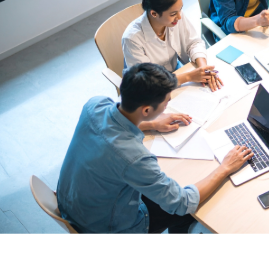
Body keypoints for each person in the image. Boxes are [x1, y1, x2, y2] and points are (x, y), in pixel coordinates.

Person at [56, 63, 254, 233]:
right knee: (193, 208)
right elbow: (182, 203)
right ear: (147, 110)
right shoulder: (134, 158)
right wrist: (225, 167)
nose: (169, 104)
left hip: (73, 203)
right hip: (106, 227)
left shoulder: (95, 105)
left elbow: (110, 128)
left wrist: (150, 123)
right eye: (167, 101)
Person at [123, 0, 222, 92]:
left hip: (175, 72)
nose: (179, 17)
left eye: (181, 9)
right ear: (154, 14)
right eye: (173, 14)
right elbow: (147, 80)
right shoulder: (132, 39)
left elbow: (193, 42)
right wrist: (189, 76)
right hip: (150, 88)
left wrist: (203, 69)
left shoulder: (175, 15)